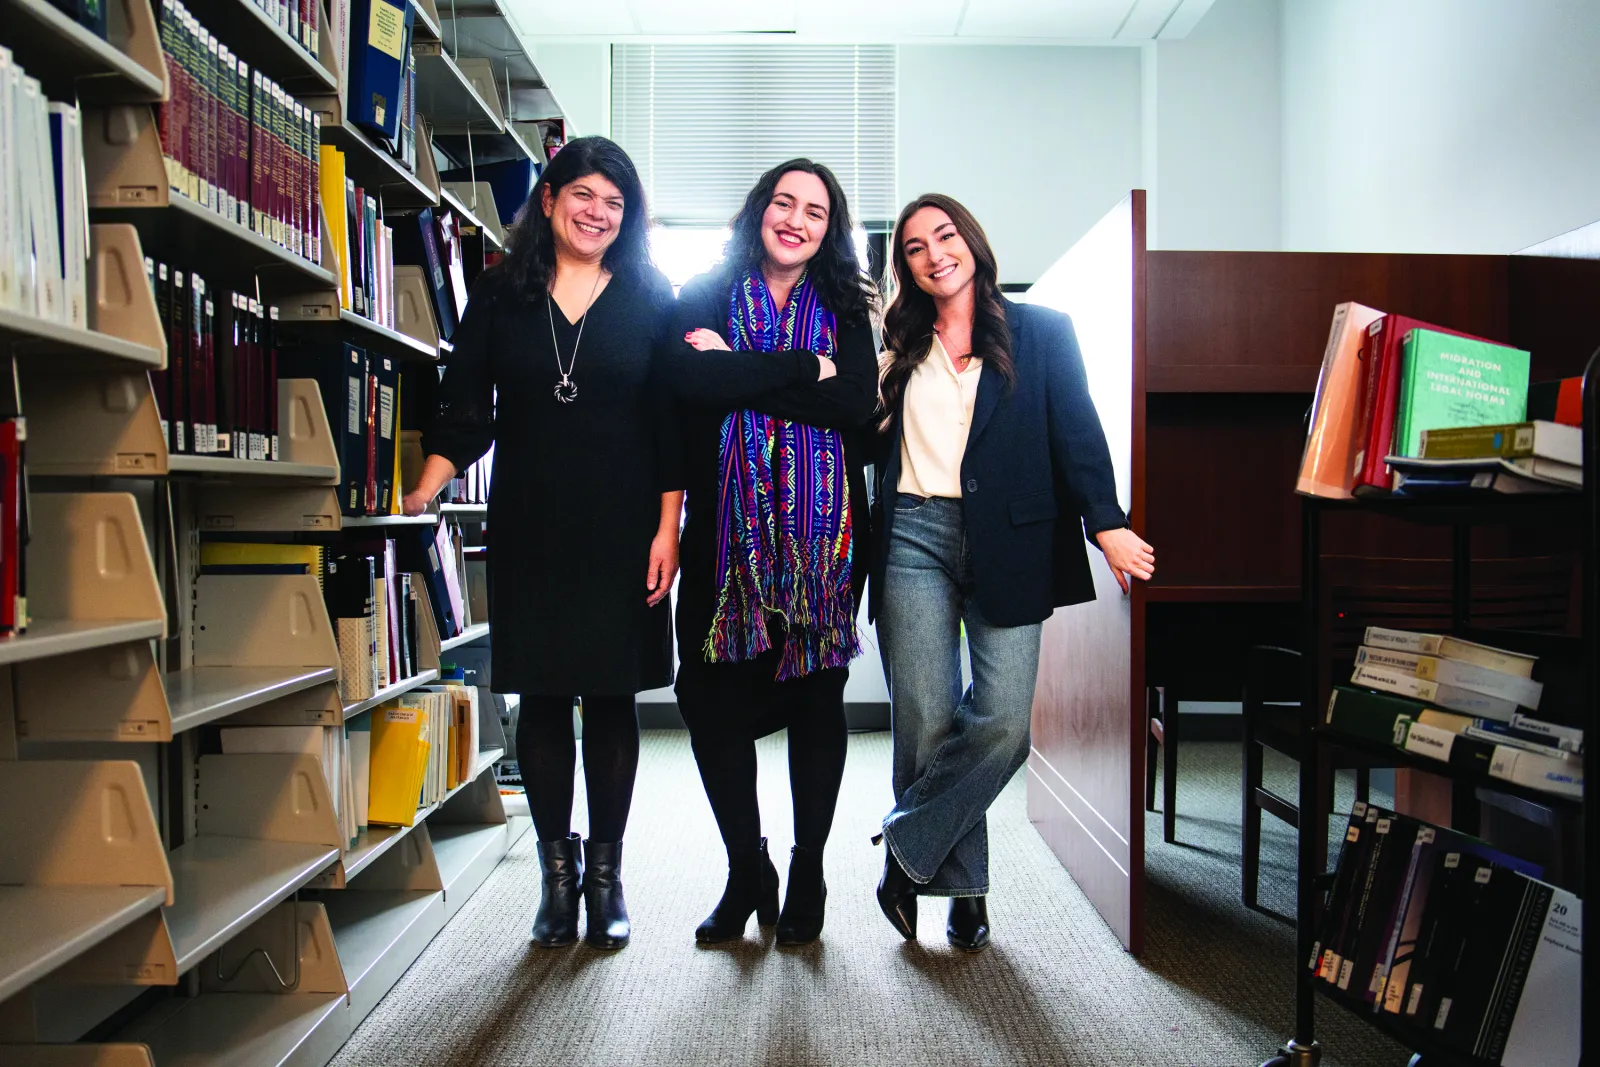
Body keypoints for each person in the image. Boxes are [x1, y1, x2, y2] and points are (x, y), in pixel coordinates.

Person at [403, 136, 682, 952]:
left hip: (626, 524)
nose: (599, 212)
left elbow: (670, 426)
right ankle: (556, 886)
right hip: (529, 521)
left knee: (611, 696)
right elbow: (467, 409)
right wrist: (428, 482)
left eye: (616, 202)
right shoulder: (500, 293)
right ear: (552, 198)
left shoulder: (650, 297)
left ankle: (607, 878)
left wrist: (668, 529)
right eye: (585, 194)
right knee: (545, 699)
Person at [869, 193, 1155, 952]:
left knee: (1000, 721)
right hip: (913, 535)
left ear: (972, 240)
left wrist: (1108, 520)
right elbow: (859, 433)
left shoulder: (1042, 330)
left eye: (945, 235)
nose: (934, 254)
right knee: (926, 719)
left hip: (1011, 538)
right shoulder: (896, 341)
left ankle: (905, 849)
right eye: (916, 248)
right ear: (905, 266)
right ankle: (963, 890)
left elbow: (1077, 428)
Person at [666, 159, 878, 946]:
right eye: (784, 202)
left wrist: (737, 370)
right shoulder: (706, 291)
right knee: (710, 705)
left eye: (815, 211)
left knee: (818, 702)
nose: (796, 218)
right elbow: (689, 383)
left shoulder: (847, 306)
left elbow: (855, 400)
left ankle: (810, 866)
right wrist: (798, 368)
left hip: (823, 551)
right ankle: (745, 866)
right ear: (760, 209)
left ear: (829, 230)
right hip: (724, 545)